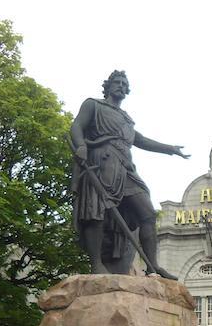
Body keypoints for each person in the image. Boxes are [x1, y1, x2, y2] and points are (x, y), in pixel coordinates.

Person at [70, 70, 189, 278]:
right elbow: (77, 126)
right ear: (108, 86)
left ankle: (153, 266)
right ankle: (97, 264)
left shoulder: (126, 119)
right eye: (117, 82)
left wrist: (169, 148)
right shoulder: (93, 105)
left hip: (125, 167)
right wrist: (81, 146)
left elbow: (140, 140)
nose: (121, 86)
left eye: (125, 84)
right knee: (96, 212)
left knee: (148, 214)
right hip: (102, 162)